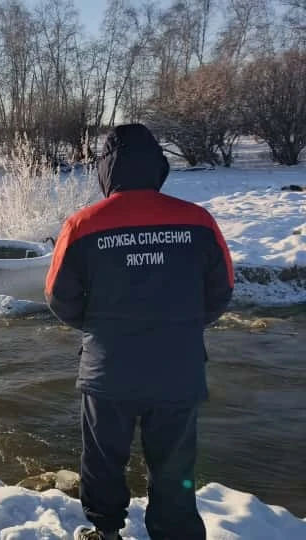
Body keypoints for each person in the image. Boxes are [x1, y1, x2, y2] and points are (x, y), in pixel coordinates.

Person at [45, 123, 234, 540]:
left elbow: (58, 296)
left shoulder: (82, 224)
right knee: (175, 465)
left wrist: (99, 326)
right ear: (158, 167)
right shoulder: (197, 221)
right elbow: (221, 292)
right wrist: (179, 326)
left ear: (105, 170)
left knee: (103, 461)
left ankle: (107, 532)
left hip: (107, 369)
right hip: (178, 369)